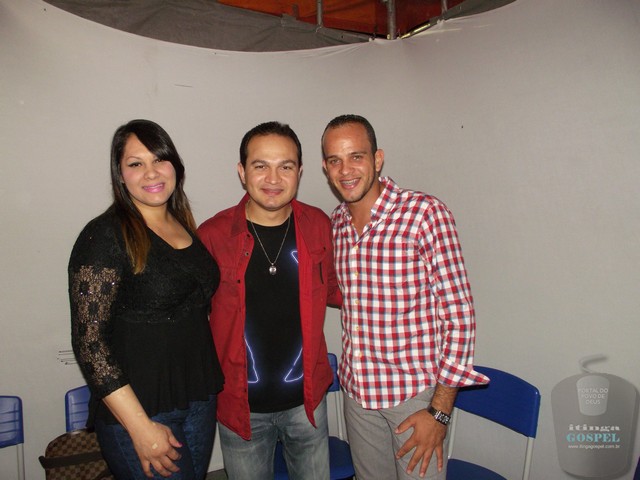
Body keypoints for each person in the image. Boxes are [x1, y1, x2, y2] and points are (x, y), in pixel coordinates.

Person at [321, 114, 489, 480]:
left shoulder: (424, 214)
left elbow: (459, 316)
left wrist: (439, 413)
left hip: (414, 399)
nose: (345, 170)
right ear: (325, 168)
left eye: (356, 156)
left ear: (377, 159)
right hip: (358, 396)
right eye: (335, 160)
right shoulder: (336, 224)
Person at [68, 119, 224, 480]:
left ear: (175, 166)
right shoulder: (104, 235)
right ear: (120, 175)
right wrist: (139, 427)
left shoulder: (182, 223)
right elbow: (89, 343)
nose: (151, 172)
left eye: (159, 159)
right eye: (136, 163)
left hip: (198, 396)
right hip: (142, 409)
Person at [197, 121, 341, 480]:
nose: (273, 178)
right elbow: (190, 318)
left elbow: (342, 290)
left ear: (300, 172)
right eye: (261, 165)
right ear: (242, 171)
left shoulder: (319, 226)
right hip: (240, 409)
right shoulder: (213, 235)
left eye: (285, 166)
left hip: (307, 404)